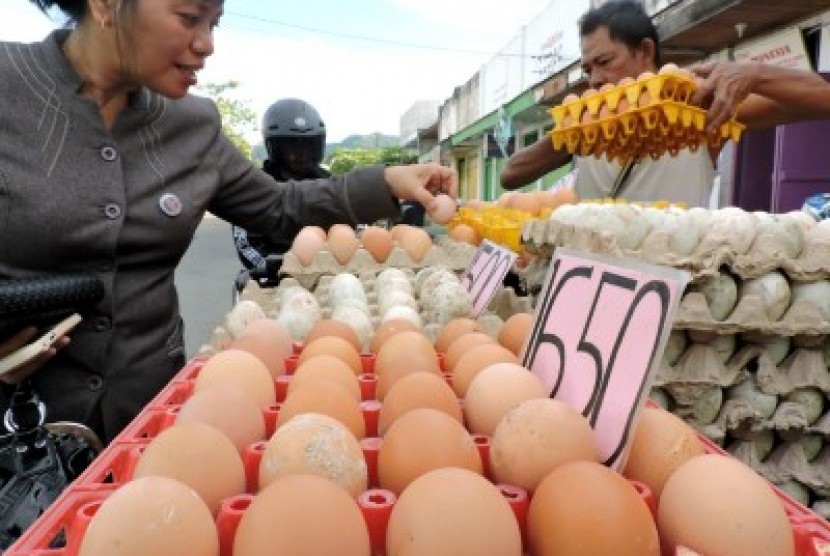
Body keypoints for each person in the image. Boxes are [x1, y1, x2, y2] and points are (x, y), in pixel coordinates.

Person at [0, 0, 457, 445]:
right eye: (189, 18)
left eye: (215, 22)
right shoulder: (8, 88)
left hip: (150, 417)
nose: (207, 44)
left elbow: (280, 206)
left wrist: (386, 183)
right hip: (17, 425)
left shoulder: (192, 125)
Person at [500, 0, 830, 206]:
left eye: (605, 61)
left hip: (667, 294)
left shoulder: (696, 106)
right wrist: (573, 132)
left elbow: (822, 100)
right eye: (588, 69)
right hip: (592, 288)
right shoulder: (586, 127)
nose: (596, 79)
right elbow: (510, 175)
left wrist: (755, 74)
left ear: (644, 51)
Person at [231, 98, 331, 288]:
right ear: (274, 147)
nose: (301, 153)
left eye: (308, 145)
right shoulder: (255, 185)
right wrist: (278, 267)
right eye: (291, 145)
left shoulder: (327, 182)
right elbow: (245, 244)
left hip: (325, 274)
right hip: (274, 278)